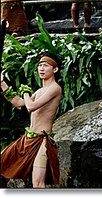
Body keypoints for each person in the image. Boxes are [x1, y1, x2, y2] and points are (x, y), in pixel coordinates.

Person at [1, 53, 62, 188]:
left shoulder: (55, 88)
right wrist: (2, 84)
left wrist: (25, 92)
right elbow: (19, 103)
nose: (41, 68)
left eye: (46, 65)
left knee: (38, 183)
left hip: (41, 141)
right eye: (40, 65)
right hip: (27, 139)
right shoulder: (40, 91)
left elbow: (31, 107)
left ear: (55, 69)